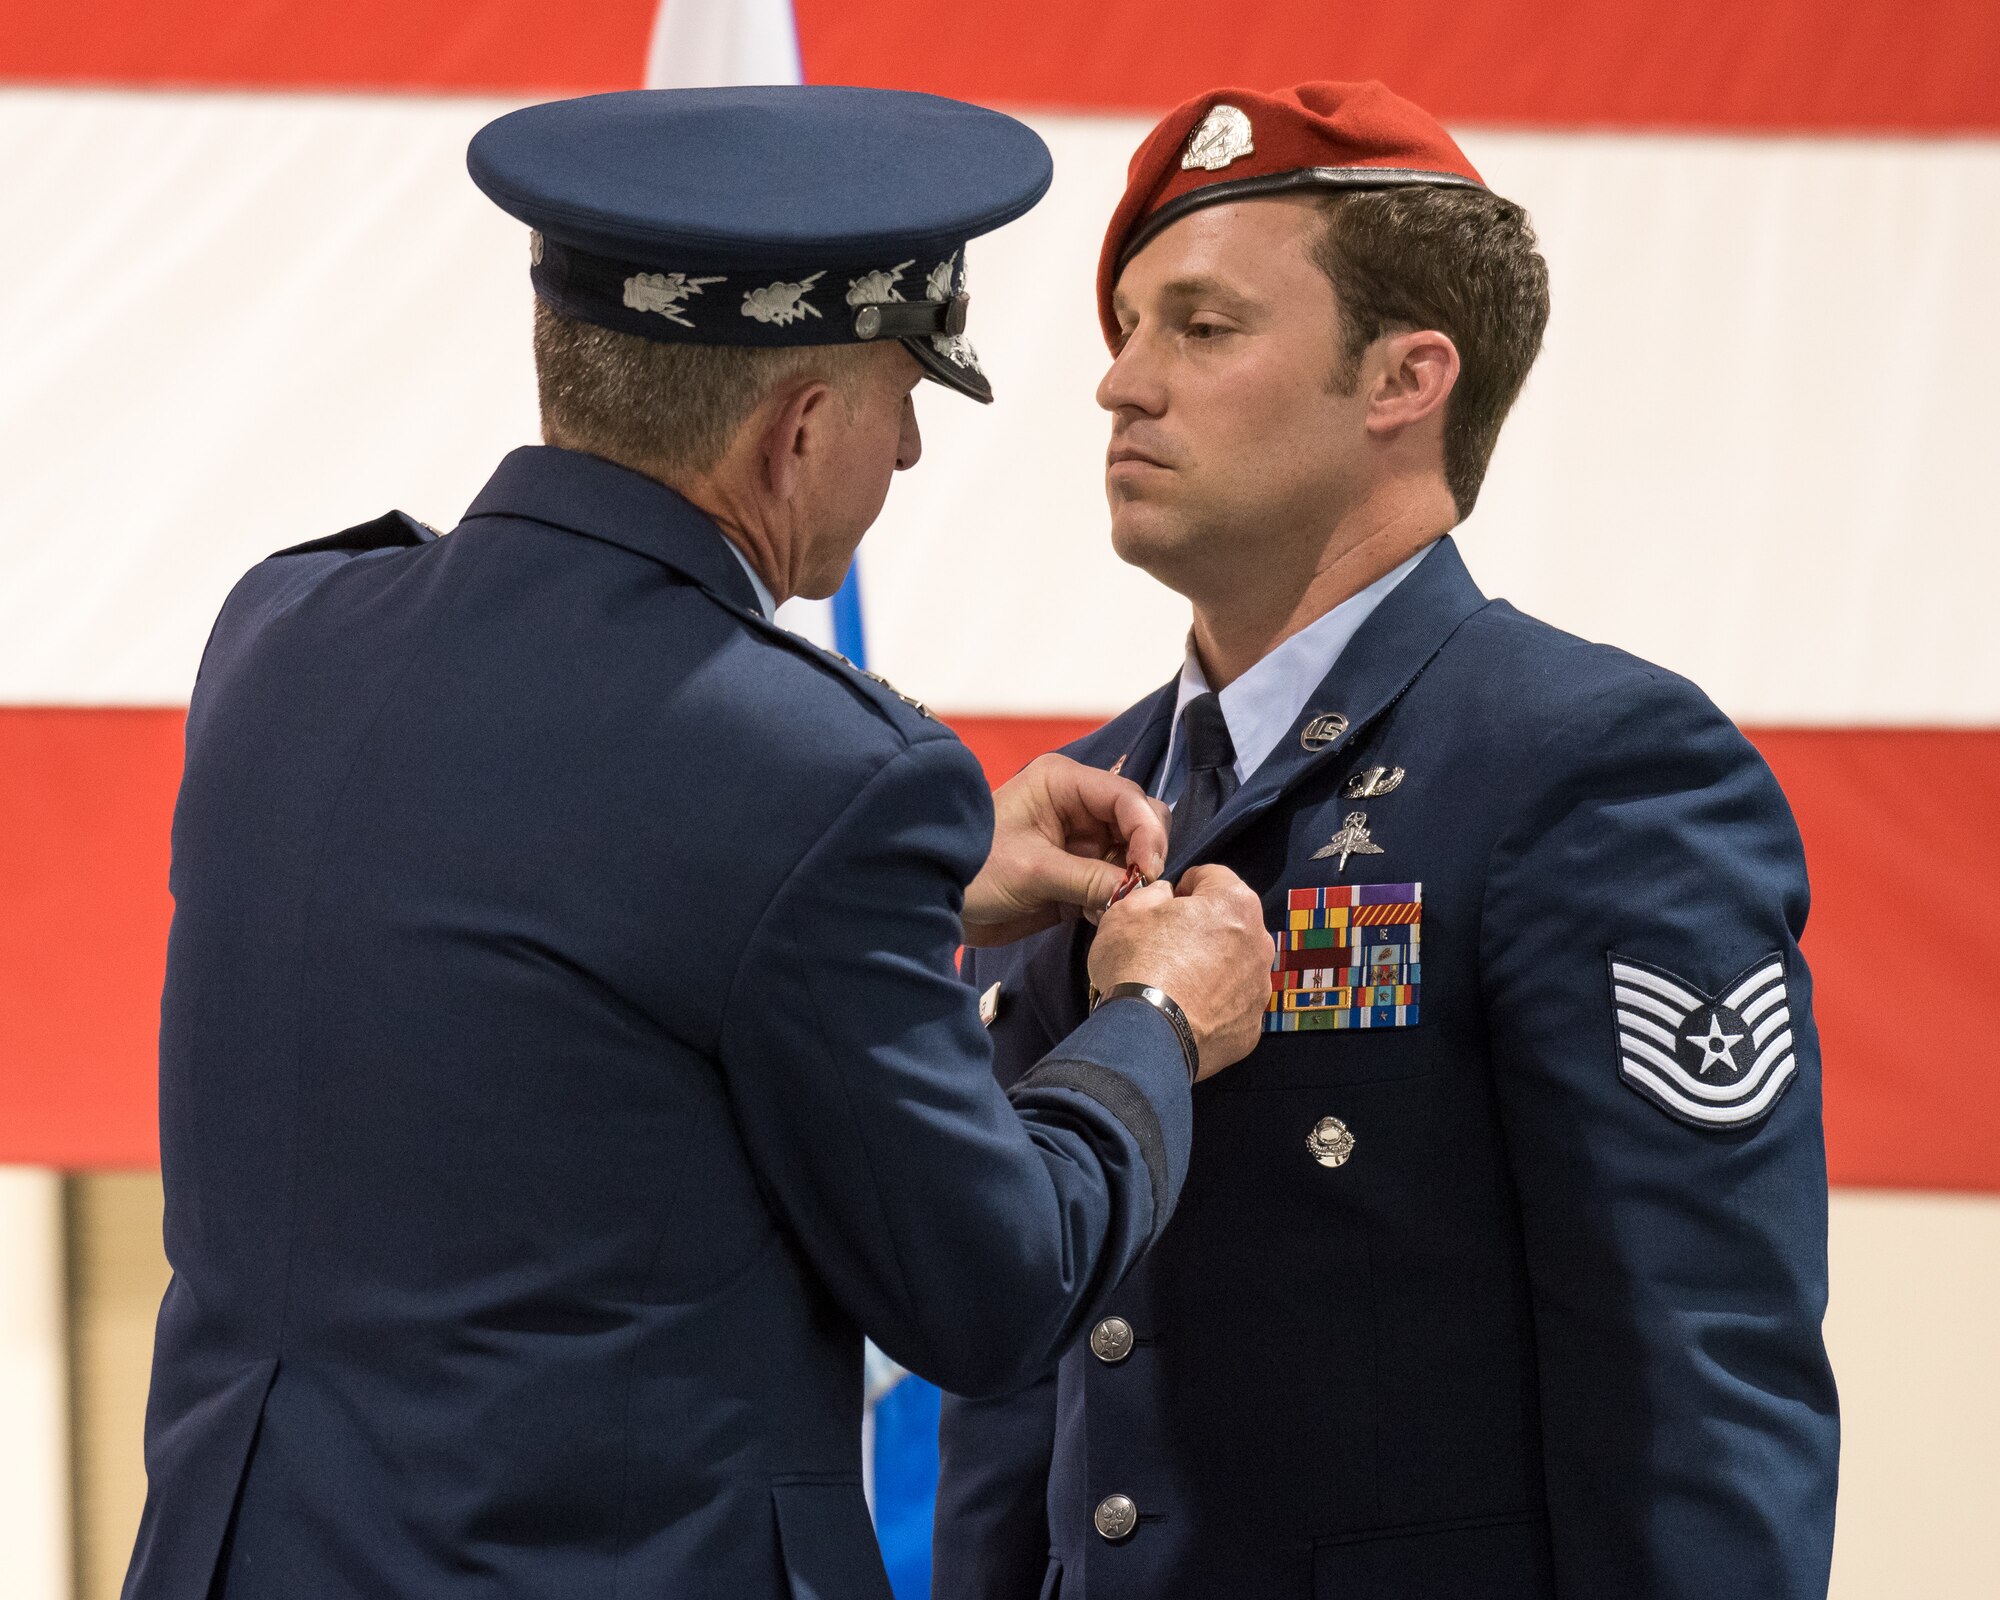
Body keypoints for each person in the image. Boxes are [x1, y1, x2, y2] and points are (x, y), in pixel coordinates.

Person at [123, 87, 1274, 1600]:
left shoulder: (282, 629)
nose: (914, 450)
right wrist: (1153, 1020)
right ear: (797, 435)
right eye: (899, 396)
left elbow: (551, 952)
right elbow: (996, 1290)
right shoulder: (817, 775)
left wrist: (906, 893)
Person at [935, 81, 1839, 1599]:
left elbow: (1699, 1383)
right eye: (1125, 332)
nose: (1120, 386)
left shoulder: (1593, 766)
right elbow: (1024, 1377)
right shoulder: (1082, 801)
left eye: (1201, 329)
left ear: (1408, 378)